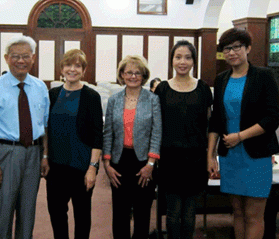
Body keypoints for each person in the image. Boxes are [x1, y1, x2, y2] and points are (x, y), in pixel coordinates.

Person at [207, 28, 279, 239]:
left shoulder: (264, 76)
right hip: (230, 156)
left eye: (237, 47)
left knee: (254, 215)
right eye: (227, 48)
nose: (231, 52)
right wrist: (211, 155)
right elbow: (216, 120)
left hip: (256, 154)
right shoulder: (221, 79)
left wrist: (241, 136)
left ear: (248, 48)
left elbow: (273, 117)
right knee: (237, 213)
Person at [0, 35, 50, 239]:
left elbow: (44, 126)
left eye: (25, 56)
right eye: (16, 56)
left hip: (34, 154)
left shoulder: (40, 88)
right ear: (6, 58)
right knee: (4, 211)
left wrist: (44, 156)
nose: (21, 60)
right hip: (5, 154)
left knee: (28, 212)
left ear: (33, 58)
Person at [155, 40, 213, 239]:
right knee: (172, 213)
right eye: (178, 57)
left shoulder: (203, 88)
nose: (183, 62)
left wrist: (210, 156)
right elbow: (156, 126)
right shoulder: (162, 89)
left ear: (194, 61)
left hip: (195, 159)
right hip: (169, 159)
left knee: (189, 214)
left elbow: (208, 124)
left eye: (188, 57)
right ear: (171, 60)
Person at [103, 55, 162, 239]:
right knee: (120, 213)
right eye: (129, 72)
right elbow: (108, 133)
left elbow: (156, 132)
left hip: (144, 163)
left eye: (138, 73)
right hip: (119, 162)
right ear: (122, 74)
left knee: (142, 213)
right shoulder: (114, 100)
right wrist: (107, 164)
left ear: (144, 76)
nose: (133, 76)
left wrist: (151, 164)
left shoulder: (153, 99)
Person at [46, 49, 103, 239]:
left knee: (82, 216)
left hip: (82, 167)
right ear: (61, 69)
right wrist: (45, 157)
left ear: (84, 70)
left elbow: (97, 135)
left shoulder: (92, 96)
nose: (72, 69)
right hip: (56, 167)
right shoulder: (52, 94)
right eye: (68, 65)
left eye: (78, 65)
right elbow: (46, 129)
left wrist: (93, 168)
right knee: (56, 213)